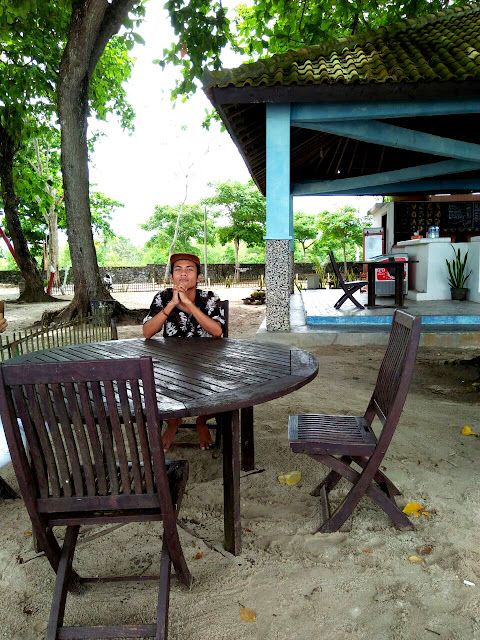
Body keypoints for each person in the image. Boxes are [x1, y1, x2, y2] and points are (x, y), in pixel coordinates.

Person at [143, 253, 225, 451]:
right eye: (178, 269)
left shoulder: (209, 298)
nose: (183, 274)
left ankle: (202, 420)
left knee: (222, 388)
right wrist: (172, 303)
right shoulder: (162, 298)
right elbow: (147, 332)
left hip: (206, 360)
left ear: (198, 277)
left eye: (190, 269)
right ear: (172, 277)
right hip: (169, 361)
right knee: (151, 383)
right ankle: (173, 422)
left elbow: (217, 331)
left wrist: (189, 304)